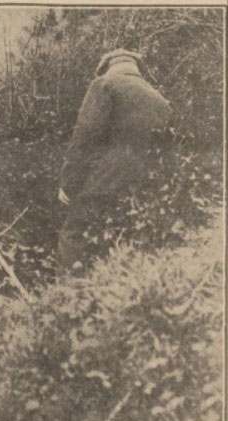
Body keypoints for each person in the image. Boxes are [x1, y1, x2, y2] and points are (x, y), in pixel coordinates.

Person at [57, 49, 173, 268]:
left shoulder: (104, 85)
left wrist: (68, 182)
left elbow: (85, 134)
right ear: (136, 68)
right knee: (124, 237)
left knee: (74, 232)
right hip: (147, 183)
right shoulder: (159, 99)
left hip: (108, 175)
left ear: (107, 67)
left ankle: (68, 293)